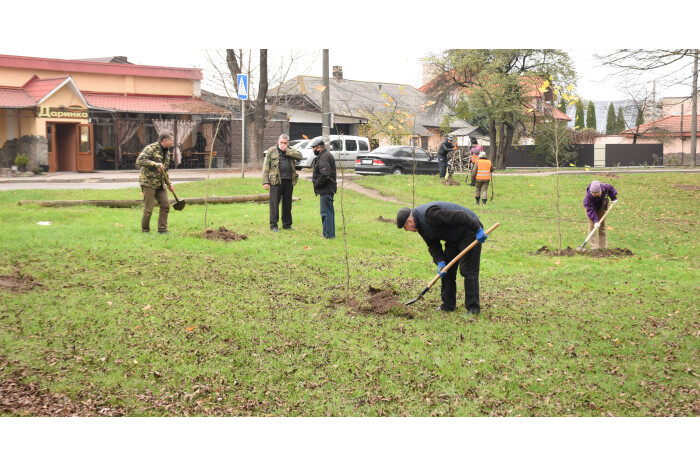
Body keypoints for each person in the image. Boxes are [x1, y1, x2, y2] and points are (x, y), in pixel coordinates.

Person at [397, 201, 488, 314]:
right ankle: (448, 305)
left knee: (468, 270)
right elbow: (433, 245)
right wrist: (440, 262)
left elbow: (460, 216)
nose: (408, 231)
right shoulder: (420, 227)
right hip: (454, 237)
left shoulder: (430, 215)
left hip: (469, 230)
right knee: (446, 269)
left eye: (406, 228)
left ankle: (473, 308)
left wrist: (478, 229)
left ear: (410, 221)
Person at [136, 130, 175, 234]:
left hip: (160, 183)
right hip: (148, 183)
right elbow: (140, 160)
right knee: (149, 208)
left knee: (166, 205)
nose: (172, 142)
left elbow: (165, 170)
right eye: (171, 140)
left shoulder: (167, 151)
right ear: (164, 140)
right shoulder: (151, 148)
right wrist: (154, 163)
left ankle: (162, 230)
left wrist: (169, 184)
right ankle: (145, 231)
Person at [263, 134, 302, 232]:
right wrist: (265, 182)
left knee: (287, 204)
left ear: (288, 143)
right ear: (278, 141)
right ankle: (273, 225)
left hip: (289, 181)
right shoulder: (271, 150)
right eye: (281, 142)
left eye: (285, 143)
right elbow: (266, 167)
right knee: (274, 204)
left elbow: (300, 156)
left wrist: (287, 151)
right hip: (276, 181)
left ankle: (287, 224)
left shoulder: (291, 150)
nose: (283, 144)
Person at [309, 136, 337, 239]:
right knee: (328, 212)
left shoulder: (324, 157)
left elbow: (326, 174)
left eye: (313, 148)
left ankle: (328, 235)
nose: (313, 150)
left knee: (326, 213)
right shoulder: (325, 155)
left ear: (318, 147)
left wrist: (316, 184)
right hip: (327, 189)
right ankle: (329, 234)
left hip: (326, 189)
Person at [584, 180, 618, 250]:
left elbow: (611, 189)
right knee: (592, 225)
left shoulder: (605, 187)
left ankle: (602, 246)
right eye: (593, 194)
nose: (595, 195)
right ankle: (593, 247)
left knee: (602, 225)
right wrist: (595, 221)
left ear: (600, 191)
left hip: (602, 206)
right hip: (591, 209)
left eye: (597, 193)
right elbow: (590, 210)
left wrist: (614, 198)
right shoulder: (588, 198)